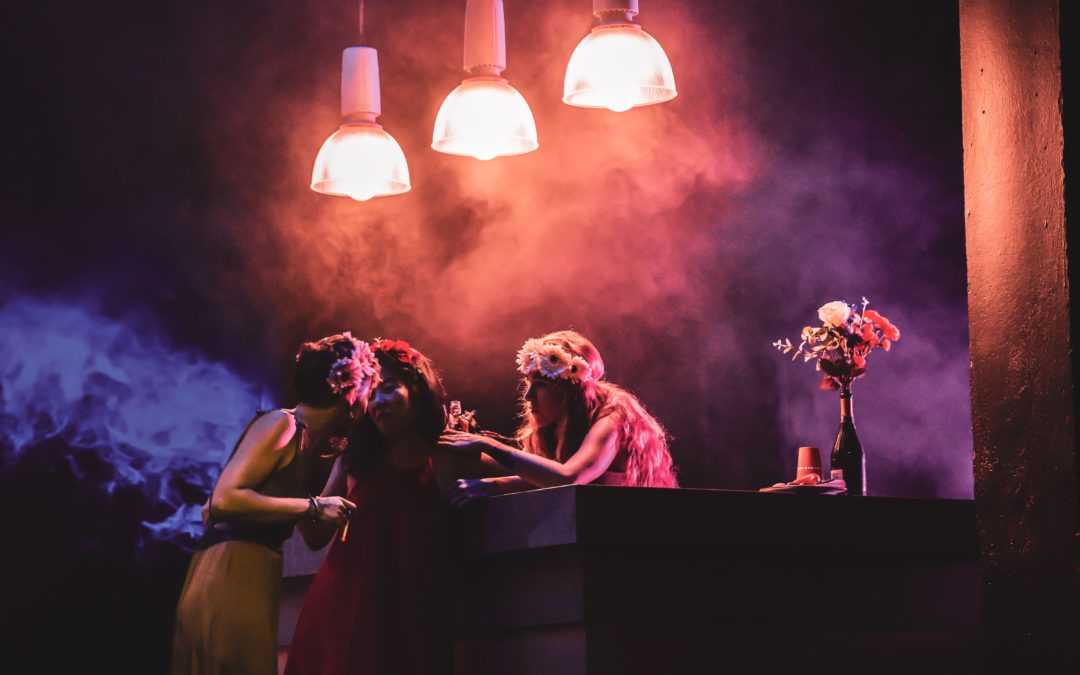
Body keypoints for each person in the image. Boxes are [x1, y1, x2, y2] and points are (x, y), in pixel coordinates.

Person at [171, 332, 379, 675]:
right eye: (369, 386)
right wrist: (313, 505)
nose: (371, 398)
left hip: (253, 574)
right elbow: (224, 499)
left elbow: (313, 537)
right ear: (347, 388)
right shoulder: (282, 424)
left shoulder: (308, 443)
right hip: (231, 570)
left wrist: (343, 468)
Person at [284, 339, 457, 675]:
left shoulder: (443, 454)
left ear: (418, 390)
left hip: (407, 610)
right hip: (342, 609)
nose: (378, 402)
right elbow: (316, 536)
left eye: (389, 388)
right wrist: (297, 472)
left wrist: (495, 483)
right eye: (371, 393)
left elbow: (550, 477)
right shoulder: (354, 461)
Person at [442, 330, 678, 505]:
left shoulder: (613, 414)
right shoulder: (560, 424)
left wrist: (489, 449)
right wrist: (460, 443)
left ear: (570, 389)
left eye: (541, 384)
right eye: (529, 382)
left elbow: (570, 477)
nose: (528, 395)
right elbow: (539, 476)